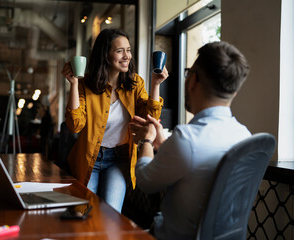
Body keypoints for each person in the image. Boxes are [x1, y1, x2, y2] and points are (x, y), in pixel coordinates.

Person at [129, 41, 251, 239]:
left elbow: (145, 181)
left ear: (193, 80)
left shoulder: (187, 139)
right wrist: (162, 143)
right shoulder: (244, 135)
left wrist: (147, 141)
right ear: (234, 91)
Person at [61, 28, 168, 212]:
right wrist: (74, 84)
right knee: (84, 213)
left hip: (119, 159)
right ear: (105, 55)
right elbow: (75, 126)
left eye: (128, 50)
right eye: (120, 51)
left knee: (111, 214)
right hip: (89, 159)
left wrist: (156, 84)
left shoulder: (136, 84)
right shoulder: (86, 84)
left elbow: (151, 120)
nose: (127, 56)